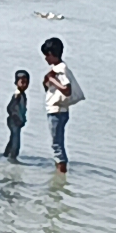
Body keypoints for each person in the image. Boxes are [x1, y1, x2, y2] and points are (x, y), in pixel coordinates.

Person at [41, 37, 84, 173]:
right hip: (58, 110)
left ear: (52, 54)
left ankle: (61, 174)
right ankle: (60, 173)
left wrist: (53, 80)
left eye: (47, 55)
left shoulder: (61, 69)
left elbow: (67, 90)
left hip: (57, 111)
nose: (46, 59)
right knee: (57, 144)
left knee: (57, 145)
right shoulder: (57, 68)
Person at [2, 70, 30, 162]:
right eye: (22, 82)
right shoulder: (17, 95)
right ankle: (13, 157)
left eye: (26, 82)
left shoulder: (22, 95)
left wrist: (23, 119)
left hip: (18, 121)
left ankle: (6, 155)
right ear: (16, 82)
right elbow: (10, 108)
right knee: (16, 140)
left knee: (12, 138)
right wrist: (16, 117)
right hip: (14, 121)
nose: (24, 85)